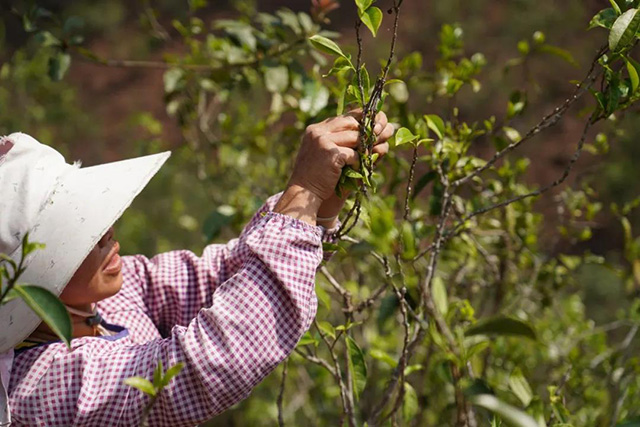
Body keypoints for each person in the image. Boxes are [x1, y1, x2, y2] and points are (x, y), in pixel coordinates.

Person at [0, 110, 393, 426]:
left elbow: (215, 275)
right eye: (80, 231)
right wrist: (303, 193)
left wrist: (321, 203)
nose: (106, 232)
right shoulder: (44, 386)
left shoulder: (108, 296)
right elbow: (202, 364)